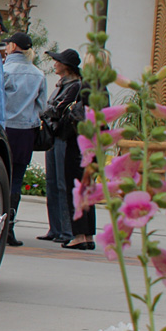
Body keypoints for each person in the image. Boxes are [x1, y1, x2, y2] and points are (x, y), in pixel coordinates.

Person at [2, 31, 47, 246]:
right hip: (26, 132)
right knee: (16, 181)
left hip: (4, 127)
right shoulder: (38, 74)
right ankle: (9, 228)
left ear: (13, 47)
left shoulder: (4, 70)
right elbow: (42, 107)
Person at [62, 51, 107, 251]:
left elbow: (80, 114)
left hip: (81, 144)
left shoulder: (85, 86)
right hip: (96, 144)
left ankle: (78, 235)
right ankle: (88, 234)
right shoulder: (103, 88)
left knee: (77, 188)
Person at [37, 48, 82, 244]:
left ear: (67, 65)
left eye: (58, 61)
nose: (54, 63)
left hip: (64, 136)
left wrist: (45, 111)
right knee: (52, 183)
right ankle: (55, 228)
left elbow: (57, 109)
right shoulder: (62, 84)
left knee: (63, 184)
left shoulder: (75, 86)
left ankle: (66, 229)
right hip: (54, 135)